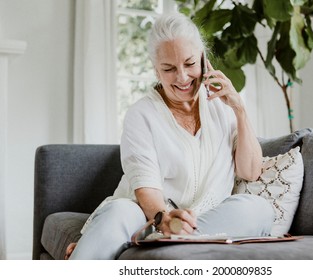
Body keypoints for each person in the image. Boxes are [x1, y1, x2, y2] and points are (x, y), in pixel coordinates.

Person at [67, 12, 274, 260]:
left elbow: (250, 172)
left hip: (202, 221)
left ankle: (160, 243)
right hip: (147, 216)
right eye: (169, 68)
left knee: (258, 208)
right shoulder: (141, 114)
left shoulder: (223, 108)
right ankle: (151, 238)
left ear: (203, 59)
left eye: (189, 64)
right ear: (156, 70)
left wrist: (239, 108)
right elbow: (145, 187)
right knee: (120, 212)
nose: (182, 77)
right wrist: (163, 219)